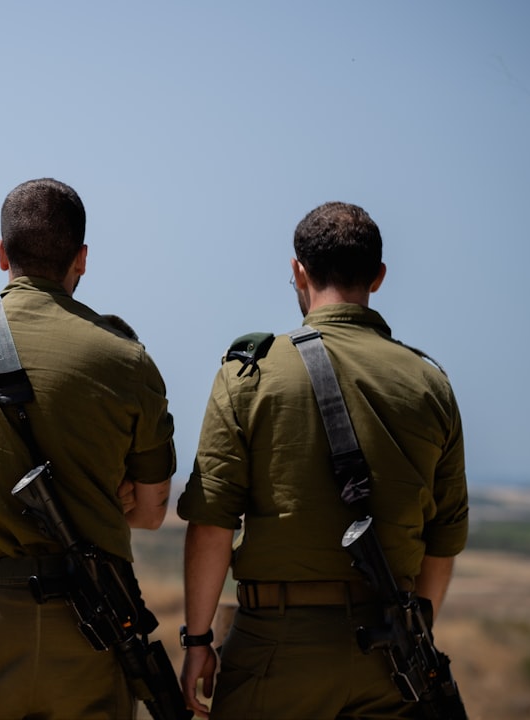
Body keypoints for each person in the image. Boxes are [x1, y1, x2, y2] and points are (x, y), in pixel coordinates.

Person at [0, 178, 177, 720]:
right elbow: (150, 511)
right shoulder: (124, 358)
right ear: (82, 259)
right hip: (92, 630)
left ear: (2, 253)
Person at [176, 201, 468, 719]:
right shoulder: (430, 385)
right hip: (390, 654)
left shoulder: (250, 374)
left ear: (298, 271)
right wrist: (409, 637)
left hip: (275, 648)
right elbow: (442, 541)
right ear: (377, 277)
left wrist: (197, 640)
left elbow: (211, 523)